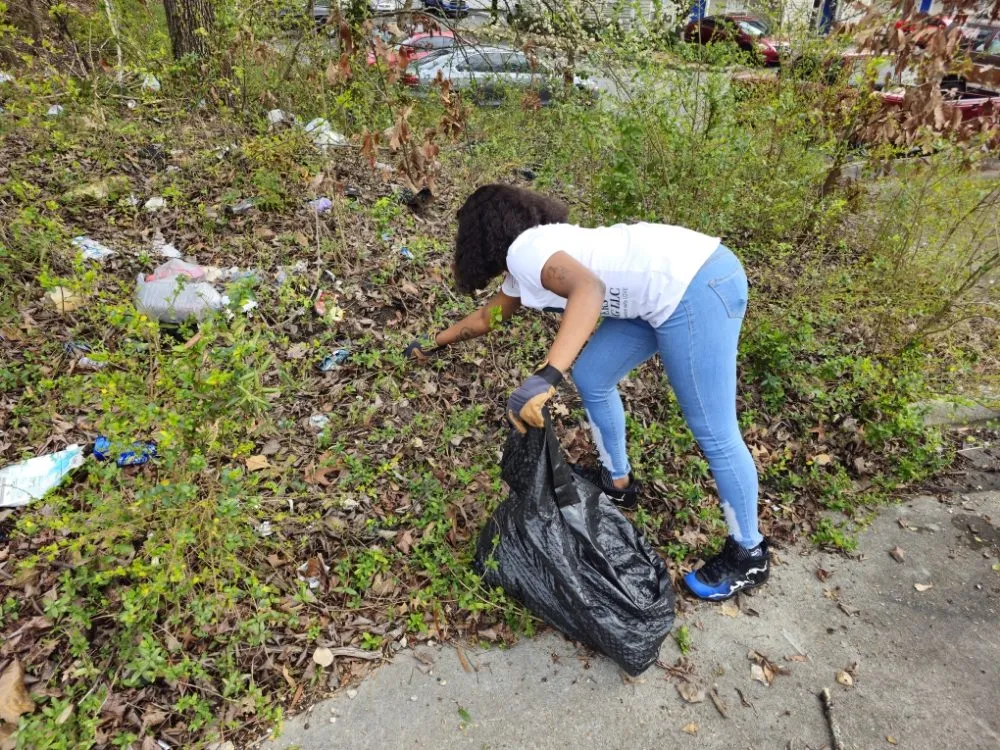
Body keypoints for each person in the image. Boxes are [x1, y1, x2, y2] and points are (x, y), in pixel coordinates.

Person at [405, 184, 769, 602]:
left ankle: (749, 552)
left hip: (698, 284)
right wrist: (434, 342)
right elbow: (489, 317)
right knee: (595, 375)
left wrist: (547, 377)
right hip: (653, 298)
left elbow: (589, 291)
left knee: (714, 429)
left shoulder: (529, 249)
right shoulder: (526, 263)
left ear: (479, 233)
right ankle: (618, 482)